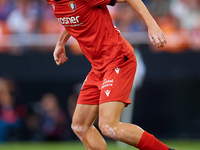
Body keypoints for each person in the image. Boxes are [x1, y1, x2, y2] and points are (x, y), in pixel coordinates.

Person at [46, 0, 175, 150]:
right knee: (80, 126)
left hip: (118, 60)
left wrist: (152, 25)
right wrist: (60, 43)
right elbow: (73, 17)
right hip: (98, 68)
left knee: (108, 126)